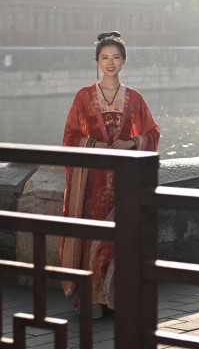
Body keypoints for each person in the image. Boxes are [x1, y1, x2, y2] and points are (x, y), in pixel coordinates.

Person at [58, 31, 160, 319]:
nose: (110, 62)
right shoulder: (84, 96)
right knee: (93, 234)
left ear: (124, 61)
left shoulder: (135, 99)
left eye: (116, 57)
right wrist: (94, 144)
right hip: (92, 180)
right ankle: (92, 298)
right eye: (105, 57)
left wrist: (132, 142)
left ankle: (117, 298)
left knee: (121, 235)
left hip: (124, 179)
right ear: (97, 62)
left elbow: (153, 133)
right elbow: (70, 136)